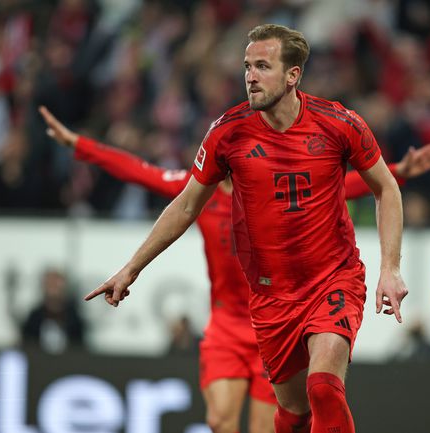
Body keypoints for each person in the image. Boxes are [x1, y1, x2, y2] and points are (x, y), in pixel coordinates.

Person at [79, 23, 407, 433]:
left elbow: (386, 188)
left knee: (323, 386)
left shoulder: (339, 123)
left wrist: (390, 267)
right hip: (271, 297)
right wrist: (132, 268)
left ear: (293, 75)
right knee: (293, 414)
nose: (250, 76)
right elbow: (186, 205)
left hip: (333, 279)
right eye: (247, 66)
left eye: (263, 66)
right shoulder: (227, 133)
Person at [39, 107, 430, 433]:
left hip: (274, 312)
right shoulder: (198, 191)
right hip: (227, 324)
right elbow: (138, 171)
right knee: (220, 421)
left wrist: (399, 172)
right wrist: (80, 145)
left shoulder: (273, 185)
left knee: (268, 424)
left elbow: (348, 183)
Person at [21, 266, 87, 354]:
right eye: (50, 284)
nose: (53, 289)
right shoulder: (34, 318)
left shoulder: (74, 318)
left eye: (57, 285)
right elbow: (27, 345)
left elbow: (80, 348)